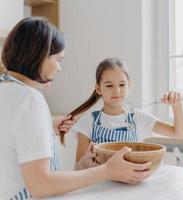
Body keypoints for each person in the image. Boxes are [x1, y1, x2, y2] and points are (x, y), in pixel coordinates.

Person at [0, 17, 151, 199]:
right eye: (59, 60)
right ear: (40, 55)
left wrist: (45, 127)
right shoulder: (30, 99)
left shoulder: (6, 89)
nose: (59, 69)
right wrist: (107, 171)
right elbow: (40, 185)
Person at [60, 57, 183, 170]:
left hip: (130, 187)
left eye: (122, 84)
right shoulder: (88, 122)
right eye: (109, 86)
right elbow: (78, 168)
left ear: (129, 86)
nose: (116, 90)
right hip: (99, 187)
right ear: (98, 89)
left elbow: (179, 134)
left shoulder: (138, 118)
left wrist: (177, 107)